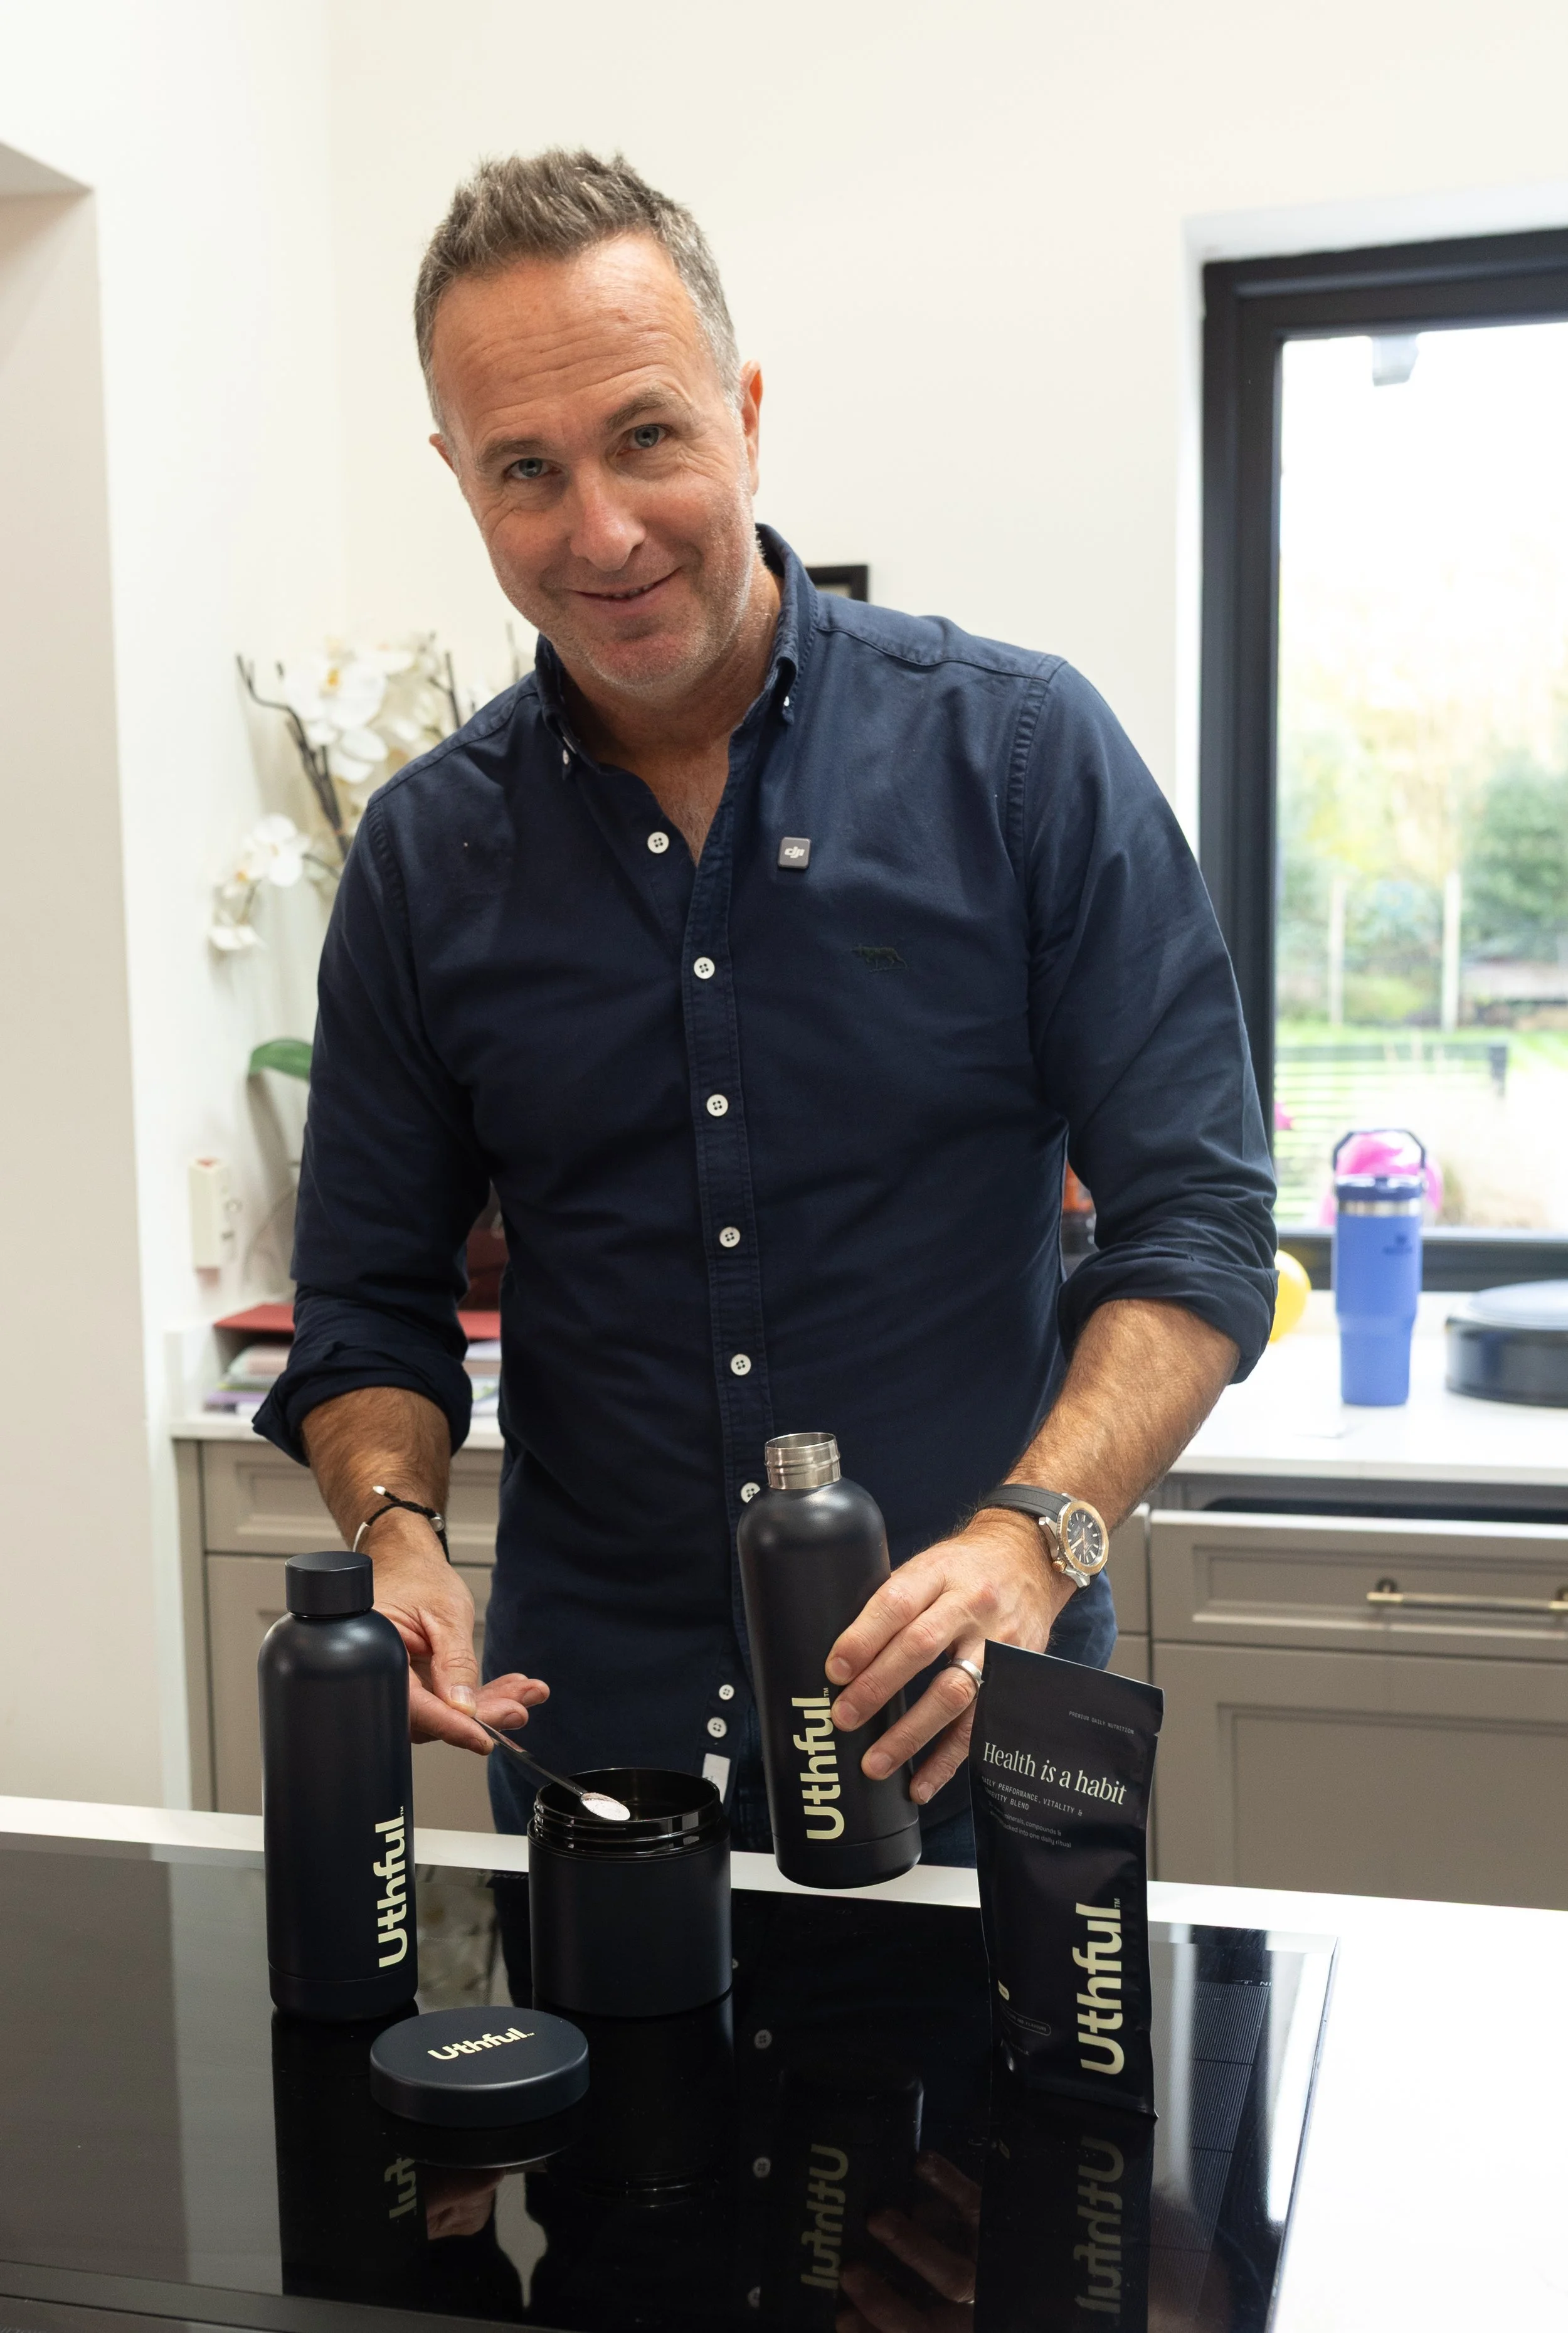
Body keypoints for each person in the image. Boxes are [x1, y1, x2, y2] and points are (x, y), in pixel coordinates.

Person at [256, 149, 1276, 1866]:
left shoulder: (1020, 758)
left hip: (977, 1717)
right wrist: (396, 1528)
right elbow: (365, 1305)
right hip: (598, 1750)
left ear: (739, 408)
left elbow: (1197, 1226)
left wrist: (1037, 1535)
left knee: (1021, 2151)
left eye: (645, 435)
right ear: (458, 478)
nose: (599, 529)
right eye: (525, 470)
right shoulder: (426, 857)